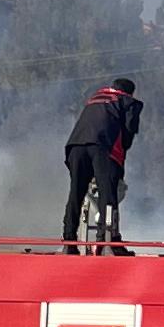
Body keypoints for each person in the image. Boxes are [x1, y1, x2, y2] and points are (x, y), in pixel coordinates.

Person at [60, 74, 143, 247]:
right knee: (108, 193)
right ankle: (107, 240)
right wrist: (119, 167)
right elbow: (128, 132)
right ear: (130, 92)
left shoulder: (95, 98)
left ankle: (69, 240)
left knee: (76, 192)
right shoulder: (128, 101)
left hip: (75, 145)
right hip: (101, 146)